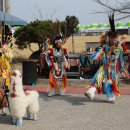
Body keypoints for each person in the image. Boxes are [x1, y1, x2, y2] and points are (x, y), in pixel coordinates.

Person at [84, 14, 130, 103]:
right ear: (108, 39)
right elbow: (98, 54)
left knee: (111, 83)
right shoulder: (105, 47)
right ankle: (91, 91)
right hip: (105, 68)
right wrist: (95, 56)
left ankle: (110, 95)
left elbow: (121, 58)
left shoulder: (119, 48)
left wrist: (121, 69)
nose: (113, 41)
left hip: (114, 70)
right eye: (111, 39)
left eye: (114, 39)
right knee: (97, 78)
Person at [0, 34, 14, 115]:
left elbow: (11, 56)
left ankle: (4, 109)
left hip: (6, 74)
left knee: (6, 92)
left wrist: (5, 52)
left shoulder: (7, 48)